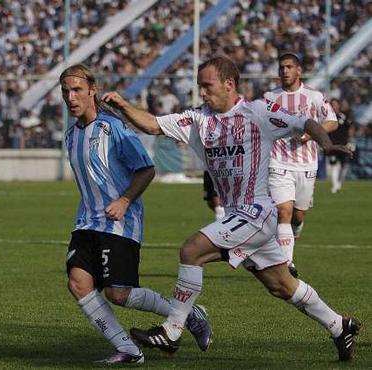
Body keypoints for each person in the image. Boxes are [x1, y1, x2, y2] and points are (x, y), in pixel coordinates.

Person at [102, 56, 360, 361]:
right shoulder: (199, 120)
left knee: (192, 250)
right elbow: (153, 124)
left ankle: (172, 331)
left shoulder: (259, 111)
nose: (203, 93)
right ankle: (339, 325)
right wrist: (123, 106)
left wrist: (326, 145)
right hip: (239, 216)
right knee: (281, 285)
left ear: (229, 83)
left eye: (207, 86)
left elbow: (305, 122)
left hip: (258, 211)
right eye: (200, 87)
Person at [60, 64, 212, 365]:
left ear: (92, 90)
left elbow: (146, 170)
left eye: (77, 90)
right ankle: (128, 349)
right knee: (78, 284)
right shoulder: (70, 135)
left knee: (120, 294)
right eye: (65, 91)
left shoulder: (113, 128)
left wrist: (124, 201)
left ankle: (188, 313)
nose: (70, 97)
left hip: (119, 223)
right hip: (87, 221)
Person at [264, 52, 339, 277]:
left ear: (299, 71)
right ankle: (286, 263)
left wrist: (311, 134)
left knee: (297, 216)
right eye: (281, 67)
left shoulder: (314, 96)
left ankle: (295, 231)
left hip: (306, 165)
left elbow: (332, 121)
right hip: (278, 161)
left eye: (289, 67)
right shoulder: (269, 97)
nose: (284, 71)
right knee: (283, 211)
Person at [327, 98, 354, 193]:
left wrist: (350, 141)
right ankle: (335, 186)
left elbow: (350, 127)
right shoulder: (327, 117)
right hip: (332, 144)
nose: (334, 106)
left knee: (344, 165)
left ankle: (339, 183)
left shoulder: (343, 116)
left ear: (338, 105)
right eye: (332, 104)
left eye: (335, 104)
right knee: (333, 164)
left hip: (343, 144)